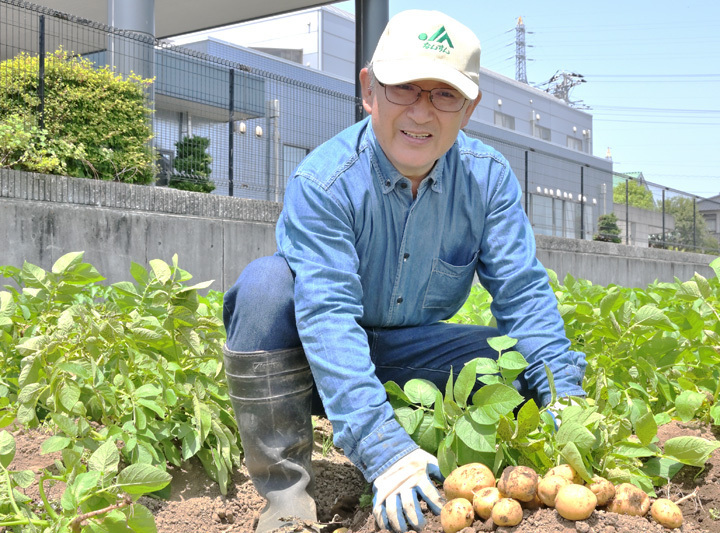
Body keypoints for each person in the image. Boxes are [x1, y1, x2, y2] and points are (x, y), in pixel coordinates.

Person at [222, 8, 586, 533]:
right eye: (404, 90)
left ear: (469, 108)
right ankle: (287, 498)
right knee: (265, 286)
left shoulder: (487, 181)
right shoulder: (326, 182)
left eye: (443, 95)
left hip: (409, 354)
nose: (421, 112)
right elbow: (326, 317)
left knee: (516, 363)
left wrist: (563, 397)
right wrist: (381, 448)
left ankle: (459, 458)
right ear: (370, 91)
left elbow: (524, 294)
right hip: (315, 363)